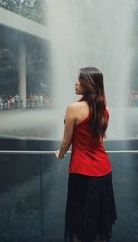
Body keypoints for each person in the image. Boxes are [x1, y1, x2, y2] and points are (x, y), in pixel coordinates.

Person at [55, 67, 117, 242]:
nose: (76, 83)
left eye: (80, 80)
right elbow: (98, 140)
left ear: (89, 84)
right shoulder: (104, 108)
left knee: (80, 223)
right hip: (104, 171)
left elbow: (66, 142)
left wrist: (59, 155)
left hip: (82, 173)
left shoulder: (73, 108)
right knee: (99, 221)